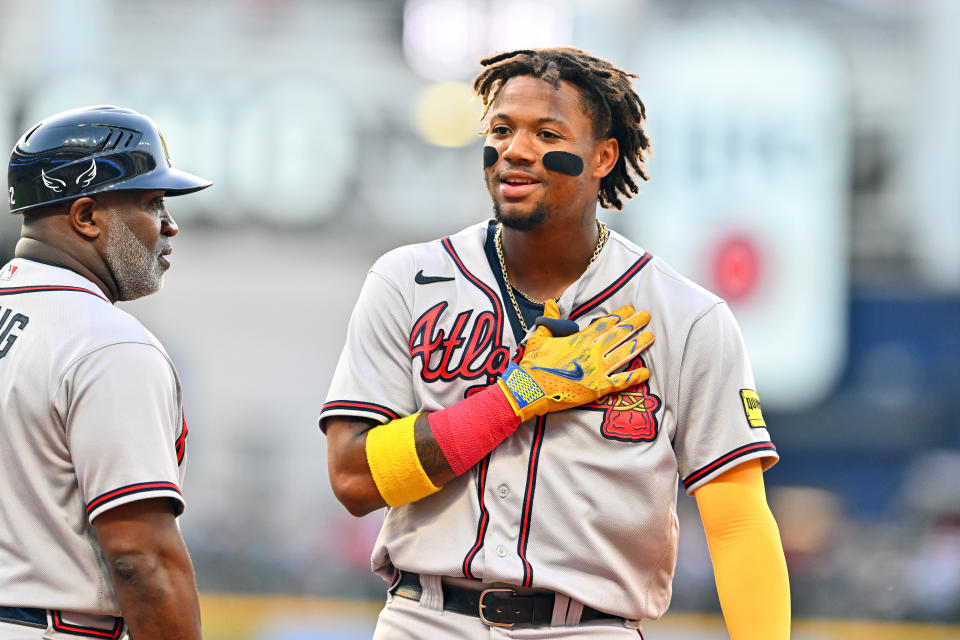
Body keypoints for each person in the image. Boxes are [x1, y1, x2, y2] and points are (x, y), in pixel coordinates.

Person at [322, 48, 790, 639]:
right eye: (501, 129)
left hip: (589, 627)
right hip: (426, 619)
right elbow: (353, 481)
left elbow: (738, 523)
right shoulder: (409, 280)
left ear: (603, 156)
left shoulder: (686, 317)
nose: (515, 149)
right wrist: (518, 395)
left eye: (547, 133)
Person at [0, 105, 210, 640]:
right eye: (151, 202)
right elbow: (141, 559)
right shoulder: (106, 342)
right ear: (87, 216)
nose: (170, 225)